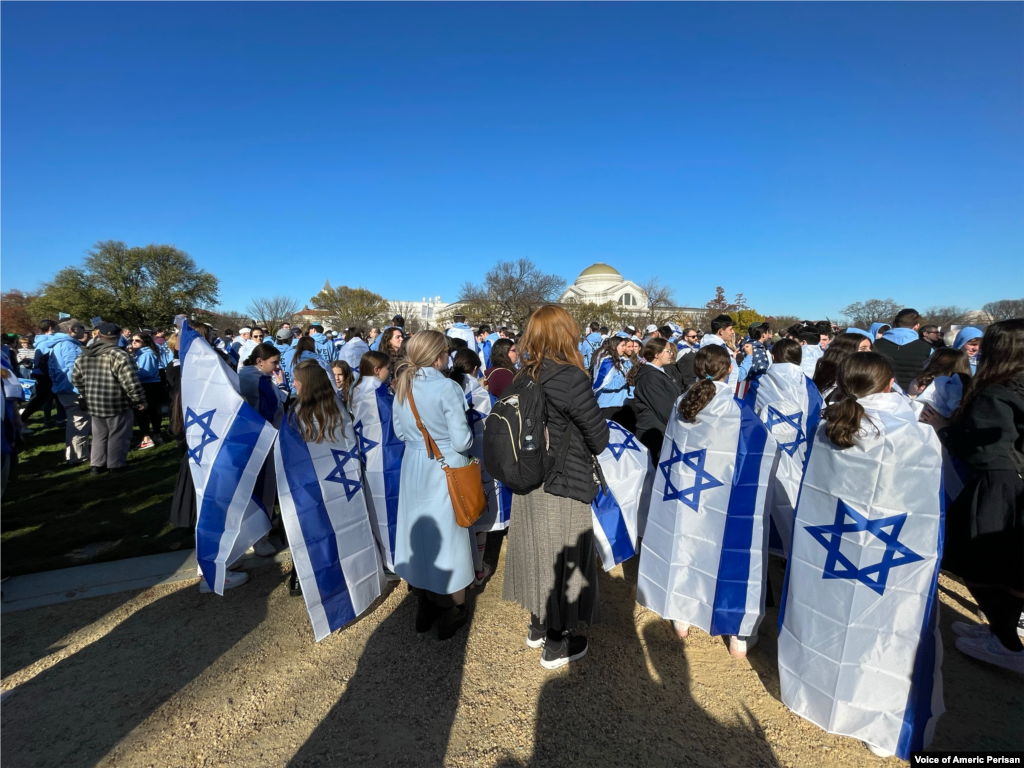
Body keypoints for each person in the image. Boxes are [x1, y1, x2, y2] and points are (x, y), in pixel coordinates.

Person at [503, 306, 609, 669]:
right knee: (562, 559)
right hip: (563, 480)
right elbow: (599, 438)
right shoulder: (571, 377)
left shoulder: (523, 375)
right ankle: (556, 642)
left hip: (528, 479)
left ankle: (537, 625)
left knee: (536, 551)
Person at [920, 319, 1024, 672]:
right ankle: (999, 629)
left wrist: (944, 428)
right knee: (1010, 564)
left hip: (1001, 484)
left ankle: (1008, 643)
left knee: (981, 565)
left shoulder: (994, 392)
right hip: (1016, 479)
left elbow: (981, 450)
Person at [391, 330, 476, 640]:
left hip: (414, 464)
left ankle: (424, 603)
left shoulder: (403, 383)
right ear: (439, 355)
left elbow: (400, 432)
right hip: (445, 465)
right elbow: (462, 440)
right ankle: (452, 608)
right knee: (449, 536)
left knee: (419, 532)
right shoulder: (447, 387)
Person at [71, 322, 147, 474]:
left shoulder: (84, 355)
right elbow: (130, 381)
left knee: (99, 435)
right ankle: (116, 464)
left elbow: (76, 379)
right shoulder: (119, 355)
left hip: (94, 401)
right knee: (118, 434)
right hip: (117, 401)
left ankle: (97, 465)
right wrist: (139, 400)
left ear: (98, 335)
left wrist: (86, 392)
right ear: (118, 336)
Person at [447, 349, 495, 586]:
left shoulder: (448, 388)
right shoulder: (481, 393)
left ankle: (463, 567)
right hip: (480, 459)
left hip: (453, 461)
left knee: (459, 513)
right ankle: (478, 569)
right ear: (475, 369)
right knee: (478, 513)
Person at [239, 341, 289, 558]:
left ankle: (260, 530)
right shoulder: (256, 381)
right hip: (262, 441)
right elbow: (269, 410)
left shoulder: (256, 377)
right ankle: (258, 537)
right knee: (261, 488)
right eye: (274, 362)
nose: (277, 367)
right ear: (259, 361)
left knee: (260, 488)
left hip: (260, 439)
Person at [629, 337, 681, 458]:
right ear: (657, 354)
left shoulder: (658, 372)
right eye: (668, 351)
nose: (671, 354)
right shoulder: (650, 376)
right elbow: (663, 408)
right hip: (653, 433)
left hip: (660, 430)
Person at [49, 320, 91, 466]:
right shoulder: (68, 345)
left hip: (62, 388)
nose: (84, 330)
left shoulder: (57, 344)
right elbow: (75, 370)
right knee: (79, 422)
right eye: (81, 327)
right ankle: (78, 456)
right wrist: (82, 390)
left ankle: (73, 454)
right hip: (72, 390)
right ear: (72, 329)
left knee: (75, 422)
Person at [20, 319, 67, 429]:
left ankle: (59, 420)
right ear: (51, 328)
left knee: (51, 398)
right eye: (57, 327)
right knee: (42, 399)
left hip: (43, 373)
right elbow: (45, 360)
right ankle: (22, 419)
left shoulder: (42, 341)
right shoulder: (47, 342)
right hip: (46, 375)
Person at [874, 309, 935, 391]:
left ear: (893, 323)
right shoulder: (927, 347)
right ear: (917, 326)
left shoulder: (874, 344)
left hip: (880, 391)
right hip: (913, 393)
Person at [130, 331, 166, 449]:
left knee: (146, 412)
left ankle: (149, 438)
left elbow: (146, 372)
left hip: (149, 385)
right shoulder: (139, 354)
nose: (134, 342)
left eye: (137, 340)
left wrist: (131, 374)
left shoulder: (147, 354)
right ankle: (154, 436)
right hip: (148, 384)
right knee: (150, 412)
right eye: (132, 340)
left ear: (145, 342)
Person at [812, 332, 869, 404]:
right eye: (863, 349)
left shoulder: (869, 374)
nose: (869, 351)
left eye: (870, 348)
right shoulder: (832, 379)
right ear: (846, 351)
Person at [591, 334, 632, 429]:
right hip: (609, 405)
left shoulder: (617, 360)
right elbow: (605, 384)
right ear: (614, 347)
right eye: (622, 345)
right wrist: (625, 379)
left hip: (618, 404)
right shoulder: (608, 362)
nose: (624, 348)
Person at [699, 315, 739, 385]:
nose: (733, 332)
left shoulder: (714, 345)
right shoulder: (715, 348)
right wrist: (749, 356)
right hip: (716, 388)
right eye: (730, 329)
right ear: (721, 331)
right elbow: (716, 373)